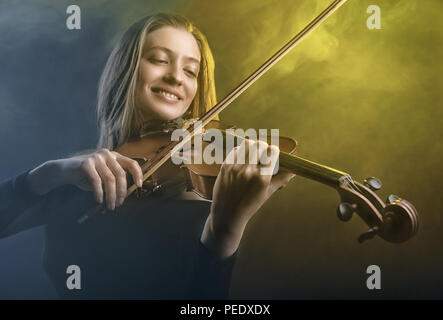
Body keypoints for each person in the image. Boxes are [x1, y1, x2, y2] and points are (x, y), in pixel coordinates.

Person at [0, 13, 294, 299]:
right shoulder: (75, 180)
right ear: (126, 70)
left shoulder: (209, 204)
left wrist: (225, 229)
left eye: (191, 71)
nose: (176, 77)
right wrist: (49, 174)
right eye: (159, 60)